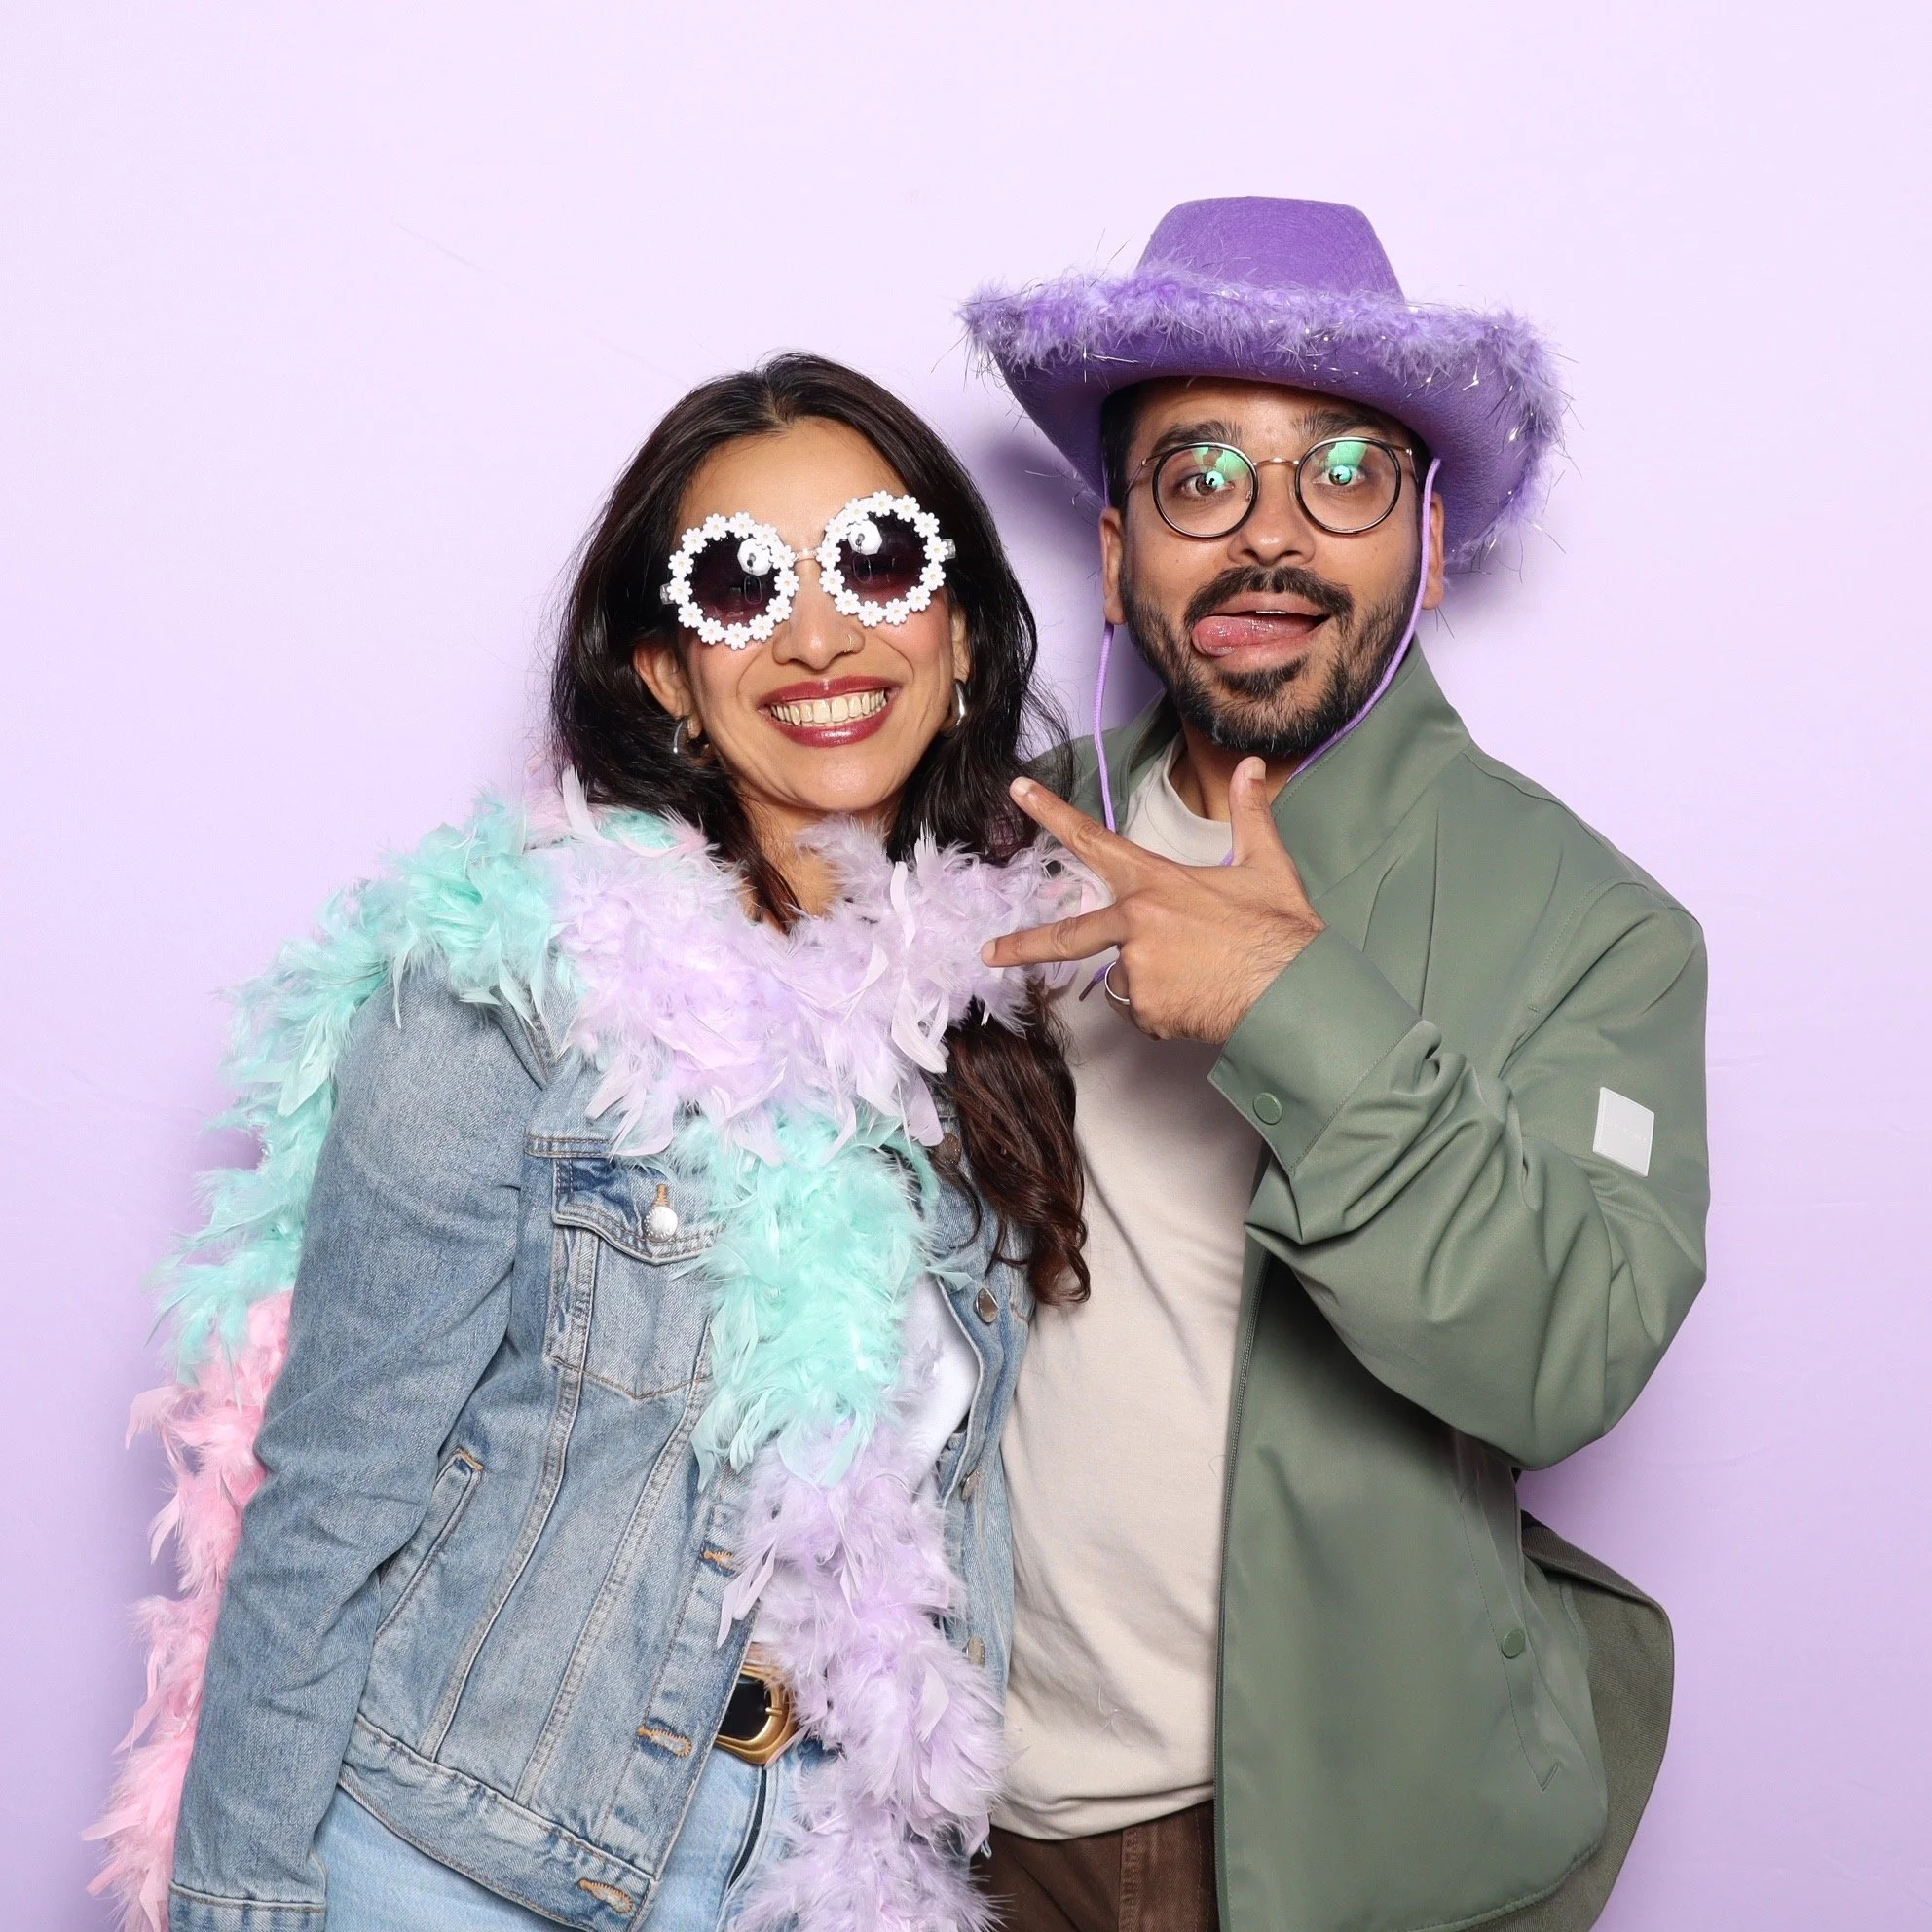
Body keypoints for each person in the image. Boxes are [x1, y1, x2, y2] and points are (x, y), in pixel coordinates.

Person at [93, 353, 1091, 1932]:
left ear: (956, 633)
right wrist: (241, 1910)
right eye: (739, 587)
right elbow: (331, 1499)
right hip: (462, 1862)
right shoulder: (501, 993)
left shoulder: (996, 1021)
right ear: (664, 675)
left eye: (880, 560)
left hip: (827, 1875)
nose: (820, 632)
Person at [961, 199, 1710, 1931]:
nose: (1271, 540)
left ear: (1431, 542)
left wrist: (1293, 1004)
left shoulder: (1597, 925)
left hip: (1302, 1843)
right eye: (1201, 475)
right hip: (950, 1819)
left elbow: (1572, 1348)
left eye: (1347, 477)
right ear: (1119, 547)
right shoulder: (994, 854)